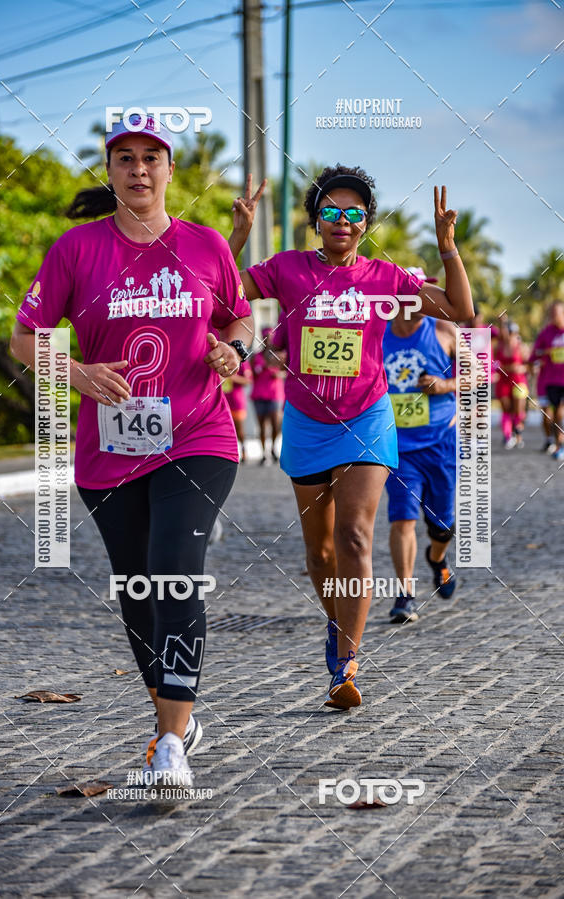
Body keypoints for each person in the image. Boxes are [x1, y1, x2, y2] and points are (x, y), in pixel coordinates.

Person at [10, 112, 254, 787]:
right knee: (138, 587)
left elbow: (237, 314)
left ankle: (170, 744)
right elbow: (27, 338)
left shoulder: (207, 247)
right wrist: (78, 373)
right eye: (125, 158)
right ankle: (173, 713)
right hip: (108, 450)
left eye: (152, 157)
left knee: (174, 567)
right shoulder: (76, 250)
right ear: (110, 170)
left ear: (171, 170)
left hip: (199, 434)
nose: (139, 169)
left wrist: (234, 347)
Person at [229, 165, 473, 710]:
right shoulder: (288, 269)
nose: (343, 221)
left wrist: (448, 248)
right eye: (332, 212)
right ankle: (336, 622)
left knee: (355, 539)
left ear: (366, 223)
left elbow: (461, 310)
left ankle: (345, 661)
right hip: (307, 424)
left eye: (354, 213)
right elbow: (222, 297)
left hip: (367, 418)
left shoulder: (385, 278)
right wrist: (239, 238)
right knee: (319, 553)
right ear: (316, 220)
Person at [383, 268, 457, 624]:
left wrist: (444, 386)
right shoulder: (377, 335)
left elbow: (481, 371)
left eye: (418, 293)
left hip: (440, 443)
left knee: (443, 525)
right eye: (404, 294)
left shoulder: (443, 330)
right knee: (402, 518)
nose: (411, 301)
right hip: (396, 446)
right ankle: (405, 595)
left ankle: (438, 558)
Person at [530, 300, 564, 459]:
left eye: (556, 313)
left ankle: (559, 444)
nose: (553, 316)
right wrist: (546, 352)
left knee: (560, 411)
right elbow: (534, 355)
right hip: (551, 380)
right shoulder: (546, 333)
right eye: (552, 313)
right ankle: (555, 442)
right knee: (552, 415)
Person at [250, 327, 286, 464]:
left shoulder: (279, 355)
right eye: (265, 336)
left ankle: (273, 448)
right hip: (259, 394)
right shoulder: (256, 356)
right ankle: (264, 452)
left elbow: (287, 371)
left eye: (270, 336)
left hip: (275, 393)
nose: (268, 339)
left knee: (276, 424)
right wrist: (262, 368)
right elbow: (251, 375)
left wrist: (280, 374)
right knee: (262, 425)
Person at [495, 320, 530, 449]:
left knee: (518, 410)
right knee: (506, 409)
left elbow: (529, 364)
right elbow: (493, 363)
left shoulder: (521, 347)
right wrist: (502, 367)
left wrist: (523, 368)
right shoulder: (498, 347)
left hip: (519, 381)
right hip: (503, 382)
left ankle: (518, 436)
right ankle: (508, 436)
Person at [222, 362, 252, 462]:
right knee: (224, 430)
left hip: (236, 401)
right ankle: (227, 453)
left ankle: (244, 450)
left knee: (239, 429)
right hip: (221, 401)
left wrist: (232, 377)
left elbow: (248, 381)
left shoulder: (242, 361)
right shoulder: (219, 358)